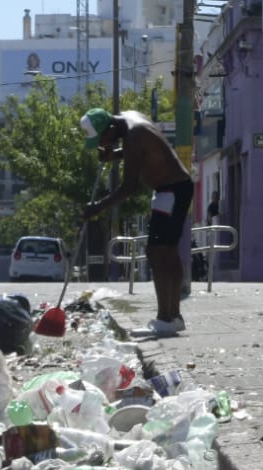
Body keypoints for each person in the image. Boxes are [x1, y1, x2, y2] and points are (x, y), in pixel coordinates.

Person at [79, 107, 193, 337]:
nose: (102, 144)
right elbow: (141, 152)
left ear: (111, 129)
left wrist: (97, 208)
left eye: (102, 139)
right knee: (167, 251)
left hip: (170, 191)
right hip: (175, 188)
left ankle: (164, 320)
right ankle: (174, 317)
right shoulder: (131, 119)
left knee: (157, 252)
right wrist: (114, 154)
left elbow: (128, 188)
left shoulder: (133, 136)